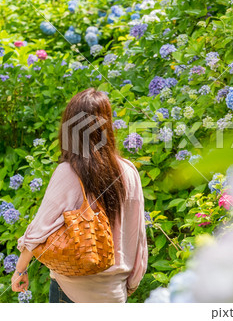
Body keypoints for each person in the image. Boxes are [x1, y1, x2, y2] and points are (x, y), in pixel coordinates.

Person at [11, 88, 147, 303]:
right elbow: (138, 236)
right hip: (115, 293)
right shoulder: (129, 172)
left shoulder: (69, 172)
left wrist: (20, 270)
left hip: (71, 291)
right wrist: (129, 285)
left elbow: (39, 230)